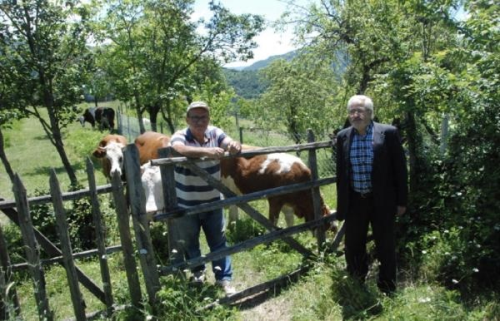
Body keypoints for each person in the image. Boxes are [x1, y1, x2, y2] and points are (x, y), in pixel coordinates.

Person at [335, 95, 408, 295]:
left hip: (382, 201)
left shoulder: (388, 133)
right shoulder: (343, 136)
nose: (355, 115)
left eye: (359, 110)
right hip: (355, 201)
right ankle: (357, 281)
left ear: (370, 113)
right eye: (352, 111)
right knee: (353, 244)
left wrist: (402, 201)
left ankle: (387, 287)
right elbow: (341, 173)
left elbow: (400, 170)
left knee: (385, 244)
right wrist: (342, 203)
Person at [169, 101, 241, 295]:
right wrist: (206, 151)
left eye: (203, 117)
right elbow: (178, 149)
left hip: (212, 201)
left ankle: (223, 280)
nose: (199, 121)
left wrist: (234, 145)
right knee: (191, 242)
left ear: (209, 119)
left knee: (218, 241)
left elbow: (230, 143)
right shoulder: (180, 136)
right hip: (187, 203)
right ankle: (198, 274)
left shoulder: (215, 133)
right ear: (187, 119)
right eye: (195, 117)